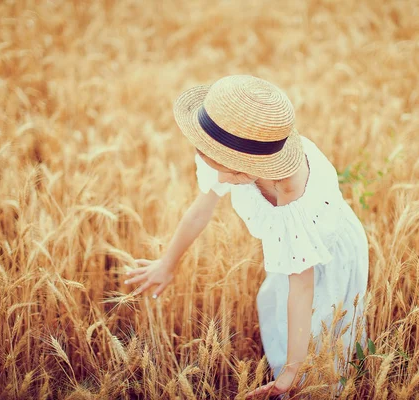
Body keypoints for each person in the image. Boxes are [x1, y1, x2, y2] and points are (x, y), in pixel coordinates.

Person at [122, 75, 369, 398]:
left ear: (252, 167)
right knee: (281, 319)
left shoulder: (289, 189)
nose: (219, 177)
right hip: (296, 262)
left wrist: (294, 370)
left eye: (228, 172)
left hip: (329, 253)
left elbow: (302, 283)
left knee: (322, 346)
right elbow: (200, 211)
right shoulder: (228, 148)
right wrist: (167, 264)